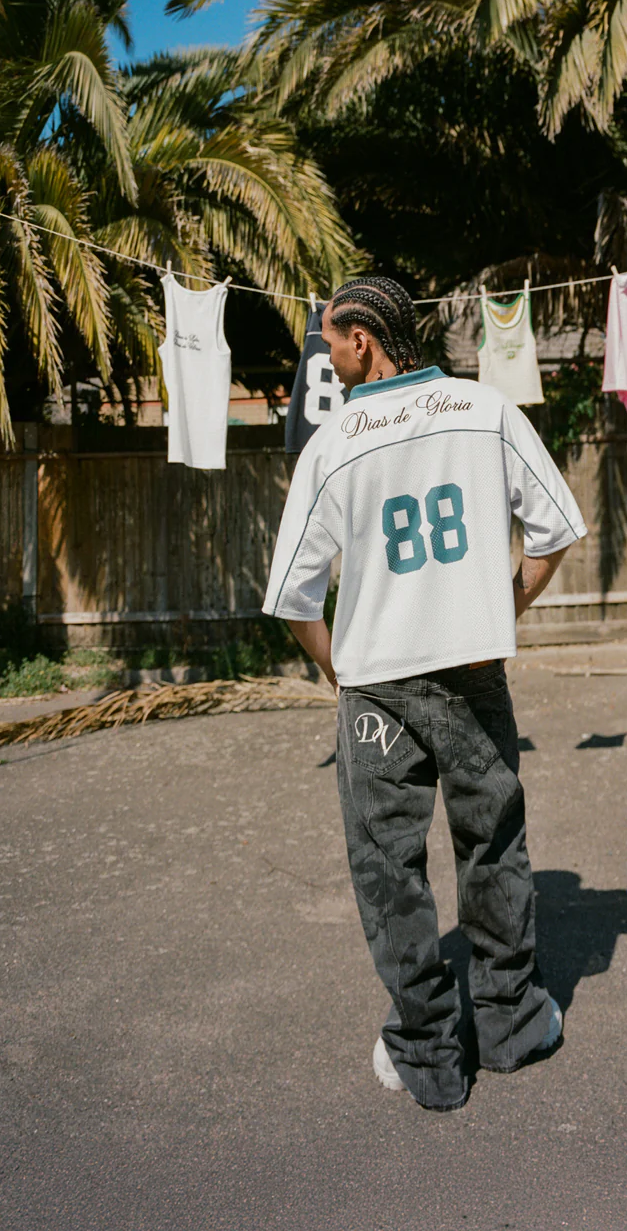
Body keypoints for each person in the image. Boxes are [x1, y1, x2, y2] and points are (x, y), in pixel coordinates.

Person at [263, 275, 587, 1111]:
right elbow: (554, 531)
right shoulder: (486, 411)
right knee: (493, 846)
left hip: (376, 688)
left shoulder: (332, 445)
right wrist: (504, 606)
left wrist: (339, 668)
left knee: (388, 869)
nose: (325, 356)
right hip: (474, 673)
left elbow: (293, 597)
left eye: (330, 341)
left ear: (362, 340)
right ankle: (513, 1027)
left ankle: (428, 1056)